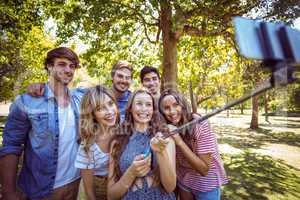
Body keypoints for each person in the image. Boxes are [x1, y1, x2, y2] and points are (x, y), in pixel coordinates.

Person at [0, 47, 85, 200]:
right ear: (49, 66)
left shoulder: (79, 99)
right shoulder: (27, 101)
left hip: (75, 184)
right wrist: (8, 191)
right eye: (62, 64)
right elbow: (11, 146)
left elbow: (111, 95)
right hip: (41, 189)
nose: (68, 70)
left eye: (72, 66)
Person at [158, 89, 228, 200]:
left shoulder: (200, 124)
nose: (172, 111)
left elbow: (204, 170)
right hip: (184, 181)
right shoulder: (168, 127)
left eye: (176, 105)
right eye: (166, 108)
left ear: (183, 105)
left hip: (206, 185)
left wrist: (179, 141)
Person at [107, 89, 176, 200]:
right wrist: (131, 173)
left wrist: (161, 152)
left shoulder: (165, 138)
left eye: (148, 104)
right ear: (130, 108)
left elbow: (170, 187)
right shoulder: (117, 142)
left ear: (153, 110)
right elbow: (111, 195)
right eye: (139, 104)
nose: (144, 109)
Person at [74, 85, 120, 200]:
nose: (109, 112)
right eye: (100, 109)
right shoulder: (88, 147)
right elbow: (89, 191)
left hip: (121, 184)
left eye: (110, 104)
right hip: (99, 188)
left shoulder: (123, 131)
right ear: (92, 114)